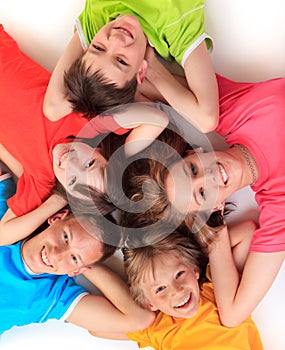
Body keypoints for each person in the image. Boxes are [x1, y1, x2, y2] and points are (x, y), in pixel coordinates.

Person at [0, 24, 168, 245]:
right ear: (99, 152)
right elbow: (159, 118)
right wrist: (123, 156)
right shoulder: (88, 120)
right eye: (89, 164)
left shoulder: (42, 179)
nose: (71, 163)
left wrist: (60, 199)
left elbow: (3, 236)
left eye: (72, 179)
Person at [160, 73, 285, 326]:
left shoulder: (229, 111)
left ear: (197, 152)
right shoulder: (279, 207)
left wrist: (151, 70)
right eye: (202, 193)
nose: (208, 177)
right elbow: (231, 314)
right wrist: (214, 230)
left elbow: (144, 82)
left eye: (193, 169)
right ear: (214, 206)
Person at [43, 0, 219, 133]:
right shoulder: (176, 29)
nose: (115, 39)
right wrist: (153, 70)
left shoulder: (97, 21)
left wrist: (98, 96)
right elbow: (206, 119)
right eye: (121, 61)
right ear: (141, 71)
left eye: (98, 48)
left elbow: (52, 107)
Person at [89, 222, 263, 349]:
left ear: (194, 270)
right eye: (160, 289)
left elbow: (247, 233)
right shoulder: (155, 327)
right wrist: (87, 268)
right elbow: (97, 329)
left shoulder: (217, 293)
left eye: (179, 274)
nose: (176, 290)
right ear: (150, 303)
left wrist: (196, 254)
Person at [0, 207, 154, 336]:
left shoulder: (51, 296)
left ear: (77, 270)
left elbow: (139, 319)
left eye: (74, 258)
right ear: (56, 218)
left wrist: (85, 266)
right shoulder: (9, 218)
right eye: (65, 237)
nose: (56, 254)